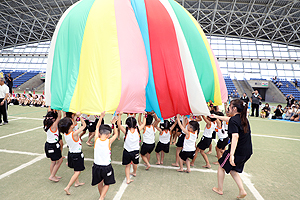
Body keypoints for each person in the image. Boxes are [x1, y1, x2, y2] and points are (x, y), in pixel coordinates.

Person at [212, 99, 252, 199]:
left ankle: (219, 189)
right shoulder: (243, 118)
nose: (228, 108)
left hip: (237, 151)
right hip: (247, 152)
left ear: (234, 108)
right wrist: (216, 116)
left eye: (230, 106)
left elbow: (235, 137)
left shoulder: (234, 120)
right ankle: (242, 190)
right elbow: (228, 119)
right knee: (232, 169)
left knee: (221, 165)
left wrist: (232, 155)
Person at [58, 113, 87, 195]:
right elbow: (84, 125)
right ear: (70, 126)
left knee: (75, 169)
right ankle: (67, 187)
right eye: (72, 122)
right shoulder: (74, 134)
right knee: (78, 171)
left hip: (70, 153)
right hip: (77, 154)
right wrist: (80, 116)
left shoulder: (65, 133)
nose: (73, 122)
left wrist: (76, 115)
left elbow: (70, 122)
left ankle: (76, 182)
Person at [92, 112, 118, 200]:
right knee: (107, 183)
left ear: (99, 133)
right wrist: (114, 124)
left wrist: (101, 117)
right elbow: (116, 134)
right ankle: (101, 197)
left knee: (100, 183)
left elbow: (97, 127)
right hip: (106, 167)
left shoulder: (96, 139)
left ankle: (101, 196)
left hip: (96, 166)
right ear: (108, 134)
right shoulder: (108, 141)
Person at [118, 112, 146, 184]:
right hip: (135, 151)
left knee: (127, 166)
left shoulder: (126, 131)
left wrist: (120, 115)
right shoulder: (138, 130)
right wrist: (144, 115)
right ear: (136, 124)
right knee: (135, 163)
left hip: (127, 151)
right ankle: (134, 172)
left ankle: (128, 179)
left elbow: (119, 125)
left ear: (127, 125)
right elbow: (143, 124)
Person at [43, 110, 63, 182]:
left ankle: (53, 175)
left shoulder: (46, 124)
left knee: (53, 161)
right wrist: (59, 110)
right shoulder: (53, 126)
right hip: (53, 146)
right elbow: (59, 117)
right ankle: (52, 176)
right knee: (60, 160)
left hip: (48, 145)